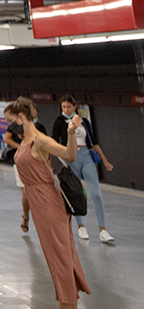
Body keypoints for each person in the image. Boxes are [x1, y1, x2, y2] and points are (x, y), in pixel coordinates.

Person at [8, 96, 89, 309]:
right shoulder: (25, 141)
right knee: (56, 260)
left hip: (48, 203)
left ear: (21, 117)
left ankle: (68, 304)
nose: (9, 125)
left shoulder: (40, 140)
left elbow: (69, 155)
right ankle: (67, 302)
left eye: (10, 120)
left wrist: (70, 133)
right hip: (39, 205)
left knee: (60, 260)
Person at [51, 95, 115, 243]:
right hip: (71, 157)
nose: (66, 109)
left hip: (86, 156)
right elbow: (54, 142)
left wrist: (105, 161)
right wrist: (62, 157)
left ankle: (103, 229)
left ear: (75, 107)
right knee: (76, 192)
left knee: (96, 193)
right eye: (64, 107)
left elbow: (94, 142)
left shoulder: (84, 121)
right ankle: (80, 226)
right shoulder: (59, 122)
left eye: (69, 107)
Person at [3, 104, 47, 233]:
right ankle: (26, 216)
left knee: (40, 194)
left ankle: (42, 220)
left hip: (36, 163)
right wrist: (21, 147)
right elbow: (7, 139)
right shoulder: (15, 126)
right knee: (26, 194)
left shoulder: (40, 128)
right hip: (21, 162)